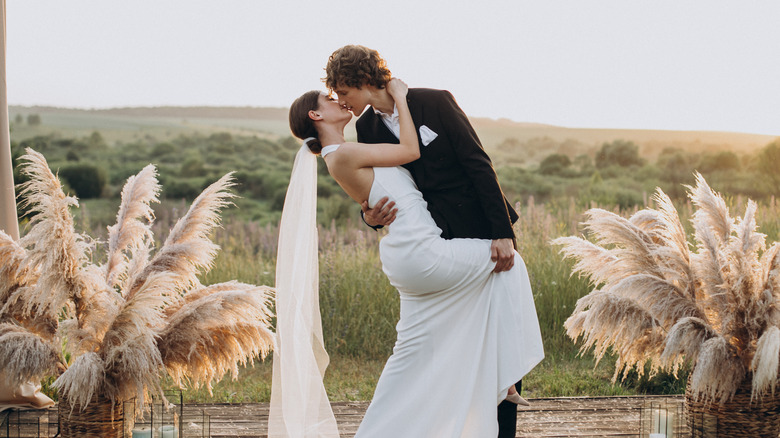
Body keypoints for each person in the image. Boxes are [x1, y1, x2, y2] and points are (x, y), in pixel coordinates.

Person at [285, 77, 544, 437]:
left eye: (342, 93)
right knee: (510, 266)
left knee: (409, 355)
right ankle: (503, 378)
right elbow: (410, 150)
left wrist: (369, 213)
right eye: (333, 98)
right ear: (316, 114)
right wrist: (402, 99)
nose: (340, 101)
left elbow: (469, 164)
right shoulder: (348, 148)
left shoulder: (361, 142)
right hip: (423, 251)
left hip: (412, 252)